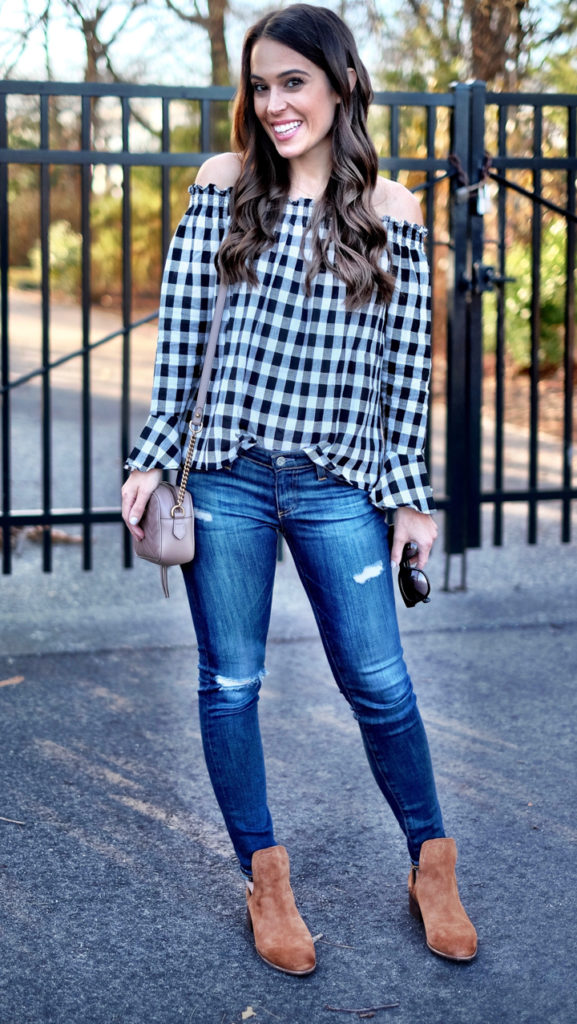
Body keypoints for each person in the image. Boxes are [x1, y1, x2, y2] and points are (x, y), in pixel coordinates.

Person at [121, 3, 477, 975]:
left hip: (336, 487)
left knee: (378, 681)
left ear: (340, 86)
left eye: (293, 82)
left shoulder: (392, 214)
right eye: (261, 84)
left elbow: (404, 376)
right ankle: (266, 881)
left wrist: (411, 498)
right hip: (226, 479)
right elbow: (182, 340)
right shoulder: (224, 186)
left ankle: (430, 862)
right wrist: (151, 458)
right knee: (231, 681)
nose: (274, 102)